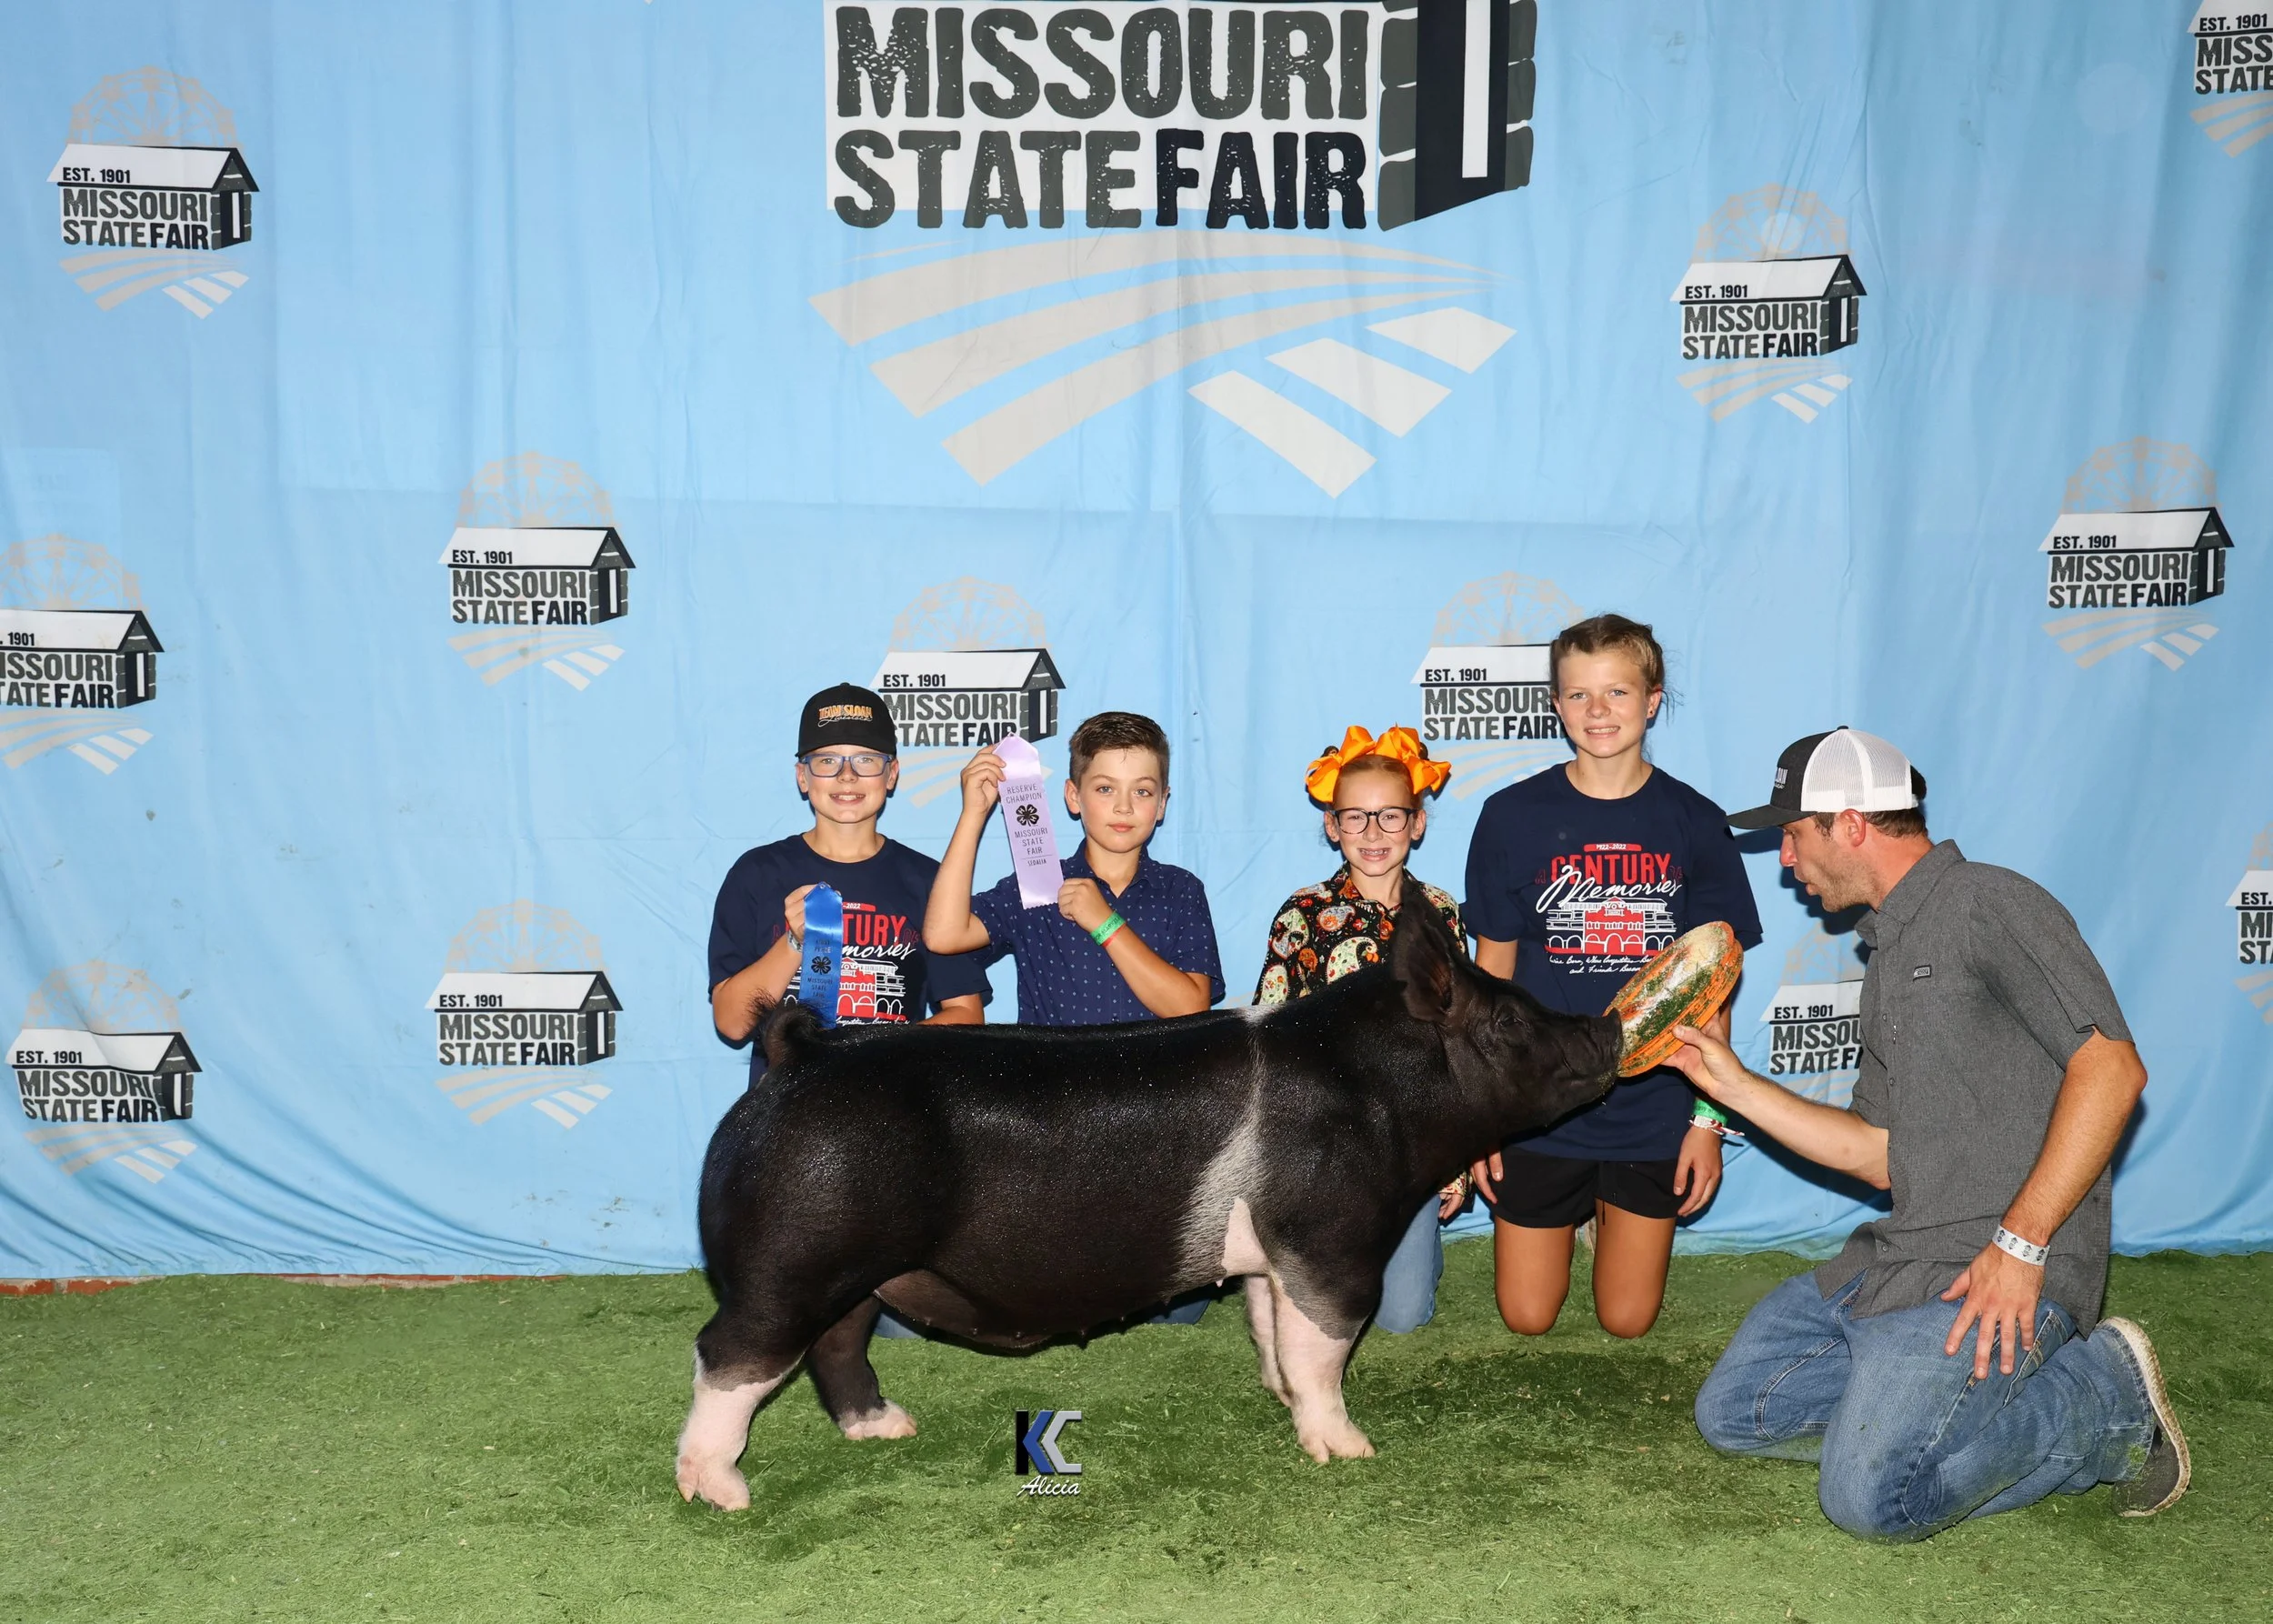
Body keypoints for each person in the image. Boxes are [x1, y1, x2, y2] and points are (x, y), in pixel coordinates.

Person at [1672, 727, 2186, 1539]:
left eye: (1792, 834)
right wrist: (1730, 1086)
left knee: (1872, 1501)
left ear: (1849, 824)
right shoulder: (1889, 951)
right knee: (1737, 1413)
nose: (1785, 859)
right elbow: (1877, 1156)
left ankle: (2103, 1399)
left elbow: (2113, 1069)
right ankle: (1918, 1406)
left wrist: (2021, 1248)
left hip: (2000, 1268)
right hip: (1897, 1259)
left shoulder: (1989, 900)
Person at [1462, 614, 1762, 1338]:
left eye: (1618, 692)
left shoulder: (1695, 822)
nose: (1599, 712)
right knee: (1527, 1316)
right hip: (1542, 1100)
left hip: (1652, 1106)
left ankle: (1610, 1210)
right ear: (1556, 705)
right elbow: (1490, 977)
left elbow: (1713, 987)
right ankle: (1577, 1205)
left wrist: (1708, 1123)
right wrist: (1479, 1114)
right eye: (1579, 694)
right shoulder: (1510, 816)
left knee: (1627, 1320)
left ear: (1653, 700)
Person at [707, 684, 993, 1335]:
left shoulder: (927, 880)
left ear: (892, 775)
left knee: (912, 1328)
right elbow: (730, 1021)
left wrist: (868, 1056)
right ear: (801, 776)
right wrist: (793, 942)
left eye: (865, 760)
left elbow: (966, 1015)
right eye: (827, 760)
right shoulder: (756, 874)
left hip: (898, 1132)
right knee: (798, 1323)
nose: (846, 777)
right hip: (792, 1136)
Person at [926, 709, 1227, 1321]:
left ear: (1163, 803)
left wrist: (1105, 922)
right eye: (1104, 788)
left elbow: (1190, 1004)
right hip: (1054, 1125)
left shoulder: (1180, 891)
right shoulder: (1040, 883)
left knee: (1178, 1313)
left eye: (1142, 791)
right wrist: (973, 814)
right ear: (1072, 797)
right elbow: (944, 931)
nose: (1124, 806)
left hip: (1158, 1122)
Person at [1254, 724, 1468, 1333]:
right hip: (1325, 1140)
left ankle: (1416, 1242)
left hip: (1411, 1141)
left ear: (1418, 822)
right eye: (1356, 818)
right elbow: (1270, 1031)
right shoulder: (1302, 914)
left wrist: (1455, 1161)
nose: (1373, 834)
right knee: (1319, 1305)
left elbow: (1457, 1043)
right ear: (1332, 825)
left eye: (1391, 817)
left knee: (1401, 1317)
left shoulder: (1443, 915)